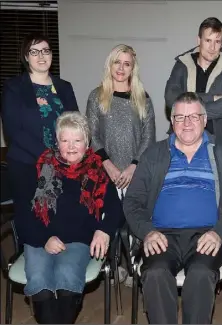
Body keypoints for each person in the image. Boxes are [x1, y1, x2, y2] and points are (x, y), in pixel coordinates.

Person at [123, 92, 222, 324]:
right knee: (155, 273)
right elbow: (132, 201)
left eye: (193, 116)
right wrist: (147, 231)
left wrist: (218, 233)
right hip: (161, 235)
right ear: (172, 121)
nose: (187, 123)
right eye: (180, 117)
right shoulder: (154, 154)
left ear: (205, 120)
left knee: (201, 273)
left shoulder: (221, 154)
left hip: (206, 235)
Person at [21, 111, 124, 324]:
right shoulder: (42, 167)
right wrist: (44, 239)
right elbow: (24, 212)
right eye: (65, 140)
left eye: (77, 140)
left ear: (86, 143)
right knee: (40, 278)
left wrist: (103, 230)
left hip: (78, 240)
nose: (70, 146)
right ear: (56, 141)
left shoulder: (97, 170)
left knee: (66, 275)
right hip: (40, 238)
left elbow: (116, 207)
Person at [1, 32, 79, 249]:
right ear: (26, 57)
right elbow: (13, 130)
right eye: (34, 52)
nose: (41, 56)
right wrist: (48, 158)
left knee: (62, 217)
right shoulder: (14, 88)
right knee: (33, 223)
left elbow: (76, 124)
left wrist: (67, 155)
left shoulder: (64, 87)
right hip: (27, 165)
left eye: (45, 50)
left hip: (64, 164)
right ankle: (34, 265)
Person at [86, 44, 156, 197]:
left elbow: (149, 137)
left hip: (137, 174)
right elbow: (92, 135)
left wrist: (133, 167)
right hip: (103, 173)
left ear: (132, 69)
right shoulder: (96, 96)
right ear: (110, 64)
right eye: (117, 62)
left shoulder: (143, 98)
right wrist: (108, 165)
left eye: (127, 64)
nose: (121, 68)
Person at [164, 17, 222, 154]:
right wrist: (211, 98)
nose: (212, 47)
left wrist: (189, 111)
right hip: (183, 141)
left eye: (217, 42)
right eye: (208, 41)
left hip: (221, 144)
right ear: (198, 40)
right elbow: (171, 98)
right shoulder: (182, 64)